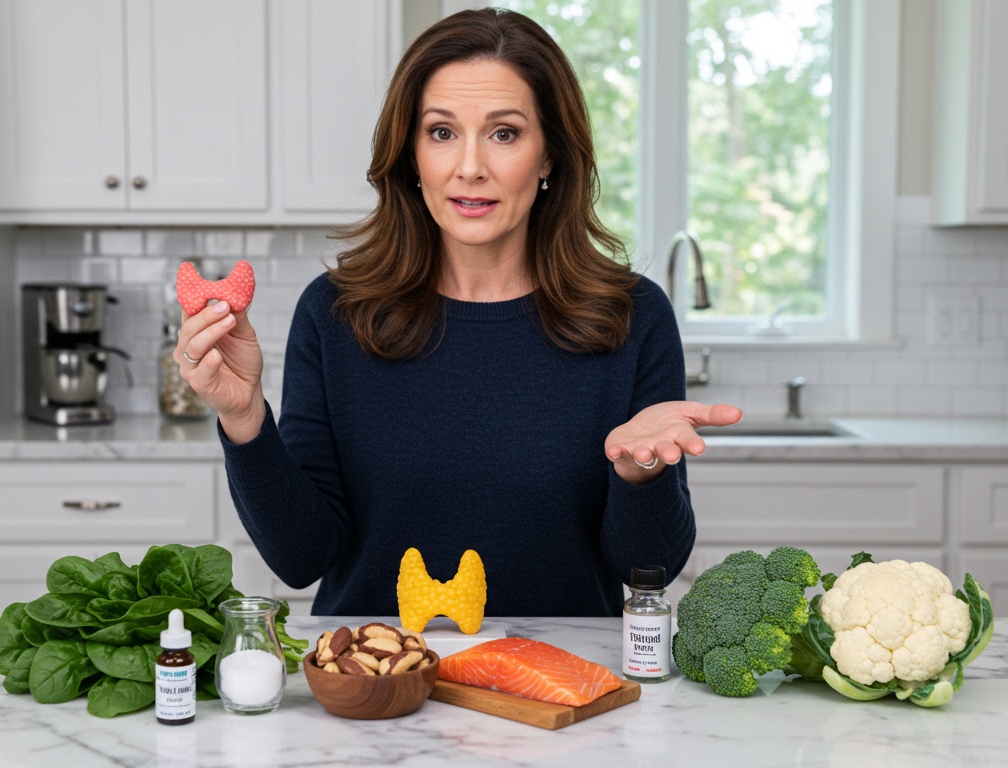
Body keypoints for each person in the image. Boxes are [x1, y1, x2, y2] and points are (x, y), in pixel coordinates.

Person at [176, 8, 742, 618]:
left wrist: (641, 476)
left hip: (563, 691)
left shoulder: (630, 317)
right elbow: (302, 557)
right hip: (380, 684)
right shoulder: (337, 313)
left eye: (504, 133)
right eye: (442, 132)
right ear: (411, 154)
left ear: (549, 154)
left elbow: (645, 567)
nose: (470, 166)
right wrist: (244, 420)